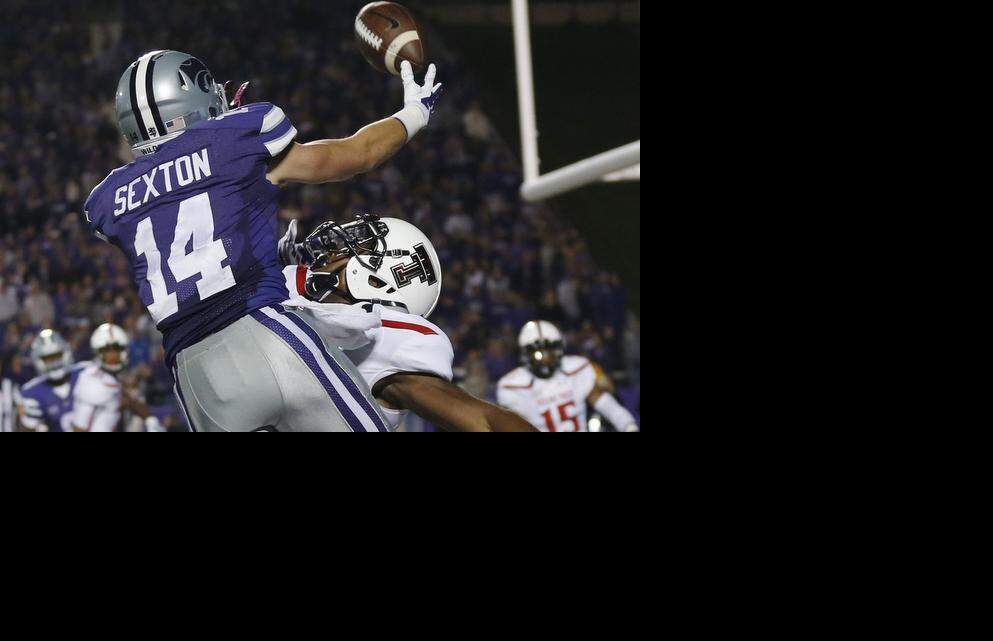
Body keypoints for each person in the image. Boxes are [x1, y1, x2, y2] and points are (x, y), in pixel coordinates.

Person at [83, 50, 441, 432]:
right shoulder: (235, 138)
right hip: (264, 331)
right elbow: (358, 154)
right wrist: (414, 113)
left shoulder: (107, 198)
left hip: (194, 375)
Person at [278, 215, 535, 432]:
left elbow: (484, 421)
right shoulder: (291, 279)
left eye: (352, 249)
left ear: (375, 280)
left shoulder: (384, 336)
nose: (331, 253)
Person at [496, 321, 639, 433]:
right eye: (538, 353)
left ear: (559, 350)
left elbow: (605, 404)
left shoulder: (576, 369)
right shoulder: (512, 386)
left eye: (549, 352)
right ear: (525, 355)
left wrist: (628, 426)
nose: (544, 358)